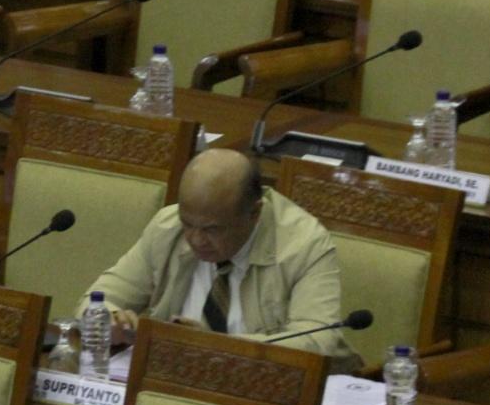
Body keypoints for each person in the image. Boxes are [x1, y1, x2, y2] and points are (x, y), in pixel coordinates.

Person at [84, 148, 351, 360]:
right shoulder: (168, 227)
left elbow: (319, 341)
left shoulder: (304, 246)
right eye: (188, 223)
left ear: (254, 213)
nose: (196, 239)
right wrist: (108, 321)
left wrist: (215, 345)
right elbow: (96, 300)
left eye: (212, 229)